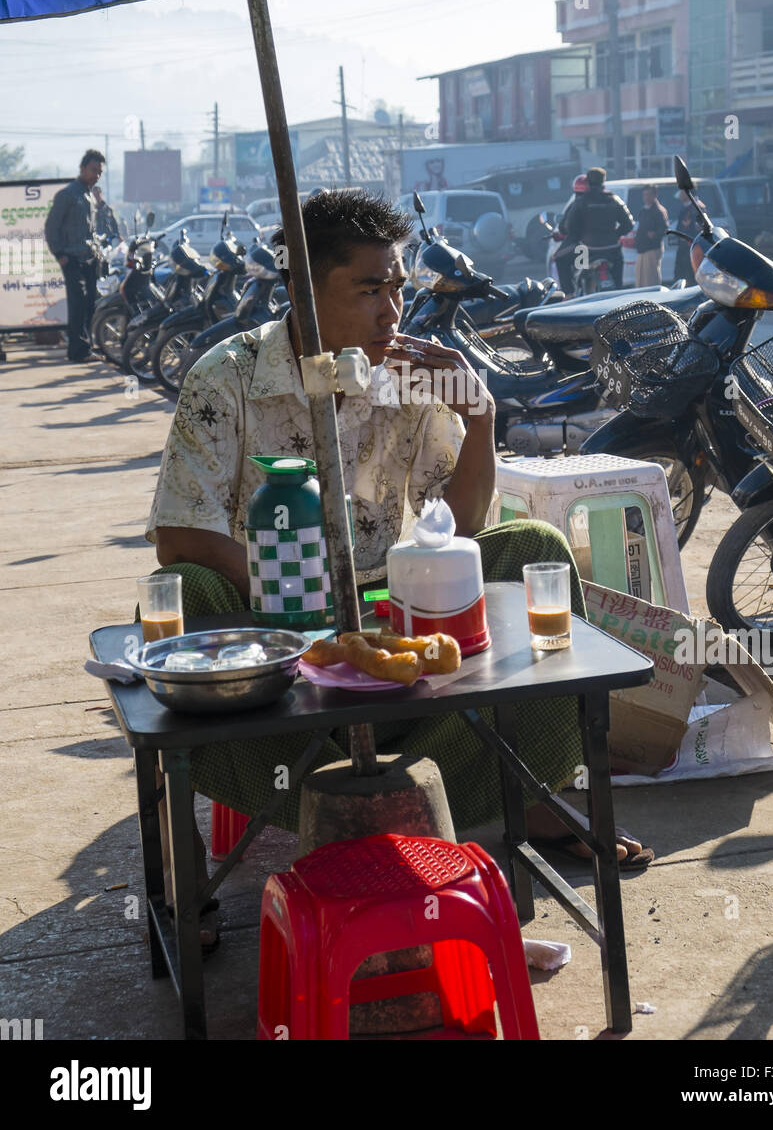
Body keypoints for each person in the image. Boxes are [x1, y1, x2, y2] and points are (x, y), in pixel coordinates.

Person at [145, 190, 652, 943]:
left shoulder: (414, 372)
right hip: (276, 623)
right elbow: (182, 534)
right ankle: (184, 858)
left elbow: (469, 522)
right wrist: (298, 594)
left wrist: (480, 415)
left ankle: (534, 789)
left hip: (398, 613)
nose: (393, 311)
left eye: (400, 287)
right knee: (182, 594)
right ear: (302, 294)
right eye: (369, 289)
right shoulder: (229, 374)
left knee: (531, 550)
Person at [44, 149, 105, 362]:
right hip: (72, 259)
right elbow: (52, 228)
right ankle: (78, 351)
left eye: (100, 172)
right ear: (82, 168)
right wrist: (60, 254)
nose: (96, 175)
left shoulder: (90, 195)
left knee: (90, 304)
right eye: (93, 170)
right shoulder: (68, 194)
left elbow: (91, 229)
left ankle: (85, 348)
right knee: (77, 304)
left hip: (89, 259)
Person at [558, 167, 633, 294]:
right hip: (612, 249)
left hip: (587, 250)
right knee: (618, 285)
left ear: (589, 181)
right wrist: (615, 234)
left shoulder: (581, 202)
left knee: (559, 259)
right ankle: (618, 293)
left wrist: (578, 236)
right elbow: (628, 223)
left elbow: (570, 226)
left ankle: (569, 294)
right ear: (603, 181)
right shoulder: (614, 199)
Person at [634, 184, 669, 288]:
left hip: (652, 248)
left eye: (649, 194)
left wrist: (655, 234)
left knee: (651, 279)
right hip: (643, 248)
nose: (646, 197)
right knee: (641, 278)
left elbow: (664, 229)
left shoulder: (659, 210)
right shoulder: (644, 210)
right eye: (644, 195)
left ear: (655, 195)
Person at [674, 189, 702, 283]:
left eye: (682, 191)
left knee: (690, 276)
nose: (680, 194)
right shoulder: (685, 207)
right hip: (683, 247)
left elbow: (698, 229)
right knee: (680, 275)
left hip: (692, 248)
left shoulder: (697, 208)